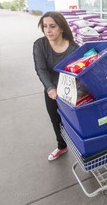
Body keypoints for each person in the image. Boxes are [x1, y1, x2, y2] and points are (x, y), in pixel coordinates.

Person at [33, 11, 79, 160]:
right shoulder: (40, 45)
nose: (48, 30)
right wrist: (50, 88)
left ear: (62, 28)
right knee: (55, 119)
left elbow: (80, 71)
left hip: (71, 91)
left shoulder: (74, 48)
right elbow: (41, 69)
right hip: (52, 90)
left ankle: (81, 146)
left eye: (52, 26)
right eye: (45, 26)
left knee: (75, 121)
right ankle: (62, 146)